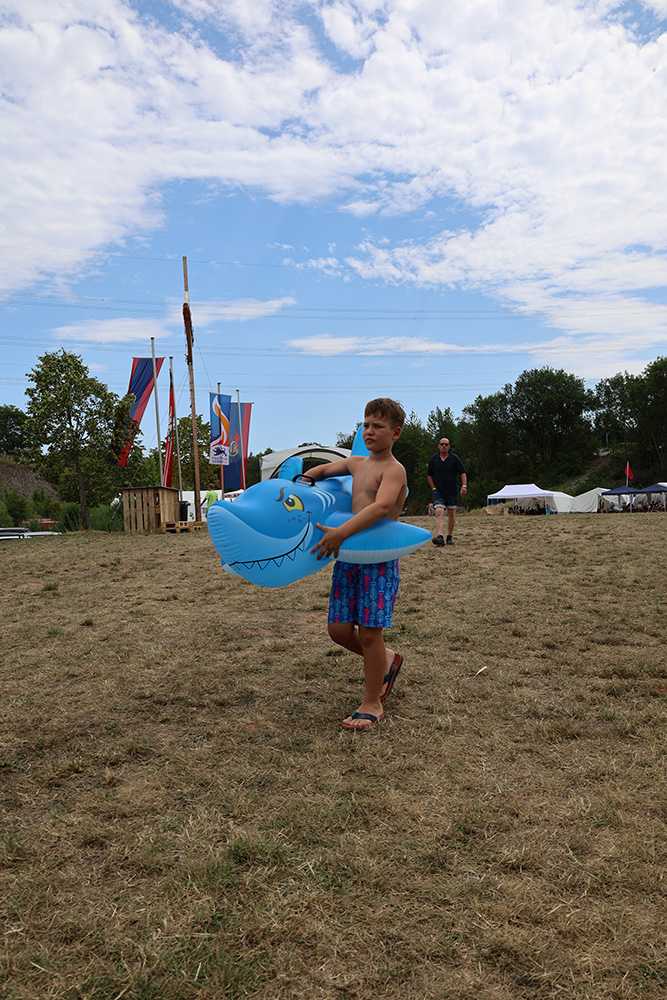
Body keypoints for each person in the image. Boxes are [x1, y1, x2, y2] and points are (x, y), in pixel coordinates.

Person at [307, 398, 407, 731]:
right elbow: (323, 470)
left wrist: (341, 532)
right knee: (338, 631)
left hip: (377, 559)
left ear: (396, 433)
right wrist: (306, 478)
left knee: (368, 634)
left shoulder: (394, 470)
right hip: (348, 557)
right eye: (365, 424)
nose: (369, 431)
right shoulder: (355, 463)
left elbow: (380, 508)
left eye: (378, 426)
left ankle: (372, 702)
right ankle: (388, 660)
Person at [426, 437, 467, 546]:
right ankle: (440, 537)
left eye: (446, 444)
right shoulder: (433, 459)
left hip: (452, 491)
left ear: (449, 447)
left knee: (451, 513)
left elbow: (462, 473)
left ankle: (449, 536)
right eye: (442, 444)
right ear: (438, 446)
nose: (444, 446)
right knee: (439, 512)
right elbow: (429, 474)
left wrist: (464, 486)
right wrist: (433, 488)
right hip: (438, 491)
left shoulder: (454, 459)